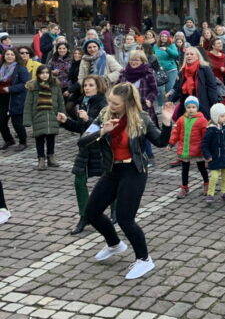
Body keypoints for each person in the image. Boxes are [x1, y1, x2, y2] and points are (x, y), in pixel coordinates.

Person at [80, 84, 175, 280]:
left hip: (134, 170)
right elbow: (82, 141)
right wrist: (101, 132)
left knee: (125, 218)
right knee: (91, 212)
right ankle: (114, 244)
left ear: (127, 103)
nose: (111, 106)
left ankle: (144, 259)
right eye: (110, 102)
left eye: (115, 103)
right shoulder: (104, 114)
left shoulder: (141, 119)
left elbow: (161, 142)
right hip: (112, 170)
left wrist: (167, 123)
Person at [56, 75, 109, 234]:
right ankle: (85, 216)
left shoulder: (104, 105)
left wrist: (87, 119)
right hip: (85, 149)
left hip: (101, 149)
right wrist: (65, 121)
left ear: (98, 87)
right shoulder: (83, 103)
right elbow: (81, 129)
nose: (87, 88)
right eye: (85, 85)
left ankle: (114, 212)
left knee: (111, 182)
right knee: (79, 181)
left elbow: (101, 129)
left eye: (91, 85)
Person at [23, 65, 65, 170]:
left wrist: (62, 114)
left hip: (52, 115)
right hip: (38, 116)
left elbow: (60, 101)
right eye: (42, 73)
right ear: (38, 75)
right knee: (39, 138)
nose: (45, 75)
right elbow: (28, 104)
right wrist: (27, 120)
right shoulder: (33, 87)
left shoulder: (55, 85)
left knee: (51, 137)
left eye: (47, 73)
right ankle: (41, 159)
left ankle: (51, 157)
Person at [169, 96, 209, 199]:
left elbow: (206, 135)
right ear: (185, 108)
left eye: (193, 107)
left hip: (198, 150)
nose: (191, 109)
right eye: (188, 107)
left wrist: (207, 148)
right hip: (185, 149)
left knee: (201, 168)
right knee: (184, 169)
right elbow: (176, 132)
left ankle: (206, 183)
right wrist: (171, 143)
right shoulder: (181, 120)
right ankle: (184, 187)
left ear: (197, 108)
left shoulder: (202, 120)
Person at [167, 47, 219, 120]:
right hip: (186, 105)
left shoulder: (204, 69)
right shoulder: (182, 71)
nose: (189, 56)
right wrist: (170, 100)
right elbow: (178, 88)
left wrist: (214, 105)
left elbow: (212, 88)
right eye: (187, 54)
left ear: (197, 56)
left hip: (202, 103)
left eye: (191, 54)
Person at [0, 47, 30, 151]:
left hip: (16, 98)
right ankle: (9, 140)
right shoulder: (1, 67)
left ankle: (23, 142)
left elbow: (25, 84)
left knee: (16, 122)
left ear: (16, 56)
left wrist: (11, 89)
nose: (9, 56)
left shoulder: (21, 68)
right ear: (4, 56)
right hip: (2, 99)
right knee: (1, 122)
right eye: (7, 54)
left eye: (12, 54)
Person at [117, 50, 158, 120]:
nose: (133, 62)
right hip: (126, 107)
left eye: (136, 60)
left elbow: (154, 90)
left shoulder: (148, 73)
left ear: (142, 61)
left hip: (142, 107)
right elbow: (117, 88)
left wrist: (150, 100)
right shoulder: (124, 72)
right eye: (131, 60)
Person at [154, 31, 179, 107]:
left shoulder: (172, 45)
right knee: (159, 89)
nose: (163, 38)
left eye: (165, 36)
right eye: (162, 36)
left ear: (168, 38)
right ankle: (160, 106)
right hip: (160, 70)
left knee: (169, 89)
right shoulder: (155, 46)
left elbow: (176, 54)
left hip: (171, 69)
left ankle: (170, 105)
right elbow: (153, 56)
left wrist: (167, 49)